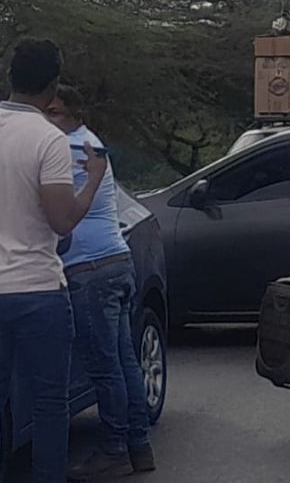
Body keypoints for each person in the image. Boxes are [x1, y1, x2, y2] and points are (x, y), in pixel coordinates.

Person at [0, 39, 107, 483]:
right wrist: (93, 180)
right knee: (48, 401)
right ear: (53, 85)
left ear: (10, 77)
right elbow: (62, 220)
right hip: (38, 292)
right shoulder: (49, 138)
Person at [43, 85, 157, 481]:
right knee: (124, 364)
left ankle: (114, 450)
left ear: (75, 115)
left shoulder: (71, 151)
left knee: (105, 367)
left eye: (55, 112)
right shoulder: (90, 144)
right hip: (115, 263)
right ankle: (138, 447)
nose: (47, 119)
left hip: (89, 270)